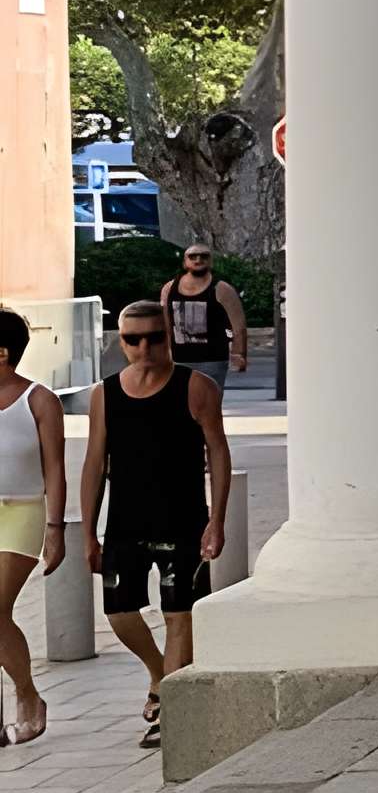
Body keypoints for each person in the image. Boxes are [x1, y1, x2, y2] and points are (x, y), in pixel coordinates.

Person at [80, 300, 230, 751]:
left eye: (154, 338)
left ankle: (170, 711)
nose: (144, 348)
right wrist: (88, 533)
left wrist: (217, 520)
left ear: (170, 337)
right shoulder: (104, 394)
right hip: (125, 522)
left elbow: (218, 453)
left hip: (183, 521)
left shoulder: (196, 387)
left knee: (179, 614)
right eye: (133, 339)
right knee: (119, 613)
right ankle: (159, 673)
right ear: (120, 342)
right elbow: (94, 464)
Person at [0, 309, 67, 746]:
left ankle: (27, 694)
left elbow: (55, 469)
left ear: (2, 353)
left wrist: (55, 528)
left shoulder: (39, 400)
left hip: (21, 512)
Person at [161, 246, 248, 387]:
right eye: (193, 256)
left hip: (213, 361)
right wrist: (166, 354)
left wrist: (239, 354)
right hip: (179, 360)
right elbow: (166, 326)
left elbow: (239, 326)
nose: (198, 259)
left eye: (204, 256)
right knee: (180, 399)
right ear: (184, 262)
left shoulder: (222, 289)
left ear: (211, 261)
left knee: (210, 399)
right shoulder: (169, 289)